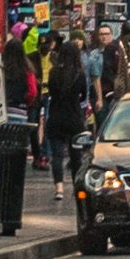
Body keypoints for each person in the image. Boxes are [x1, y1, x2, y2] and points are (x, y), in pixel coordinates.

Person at [41, 34, 90, 197]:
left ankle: (59, 188)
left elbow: (51, 92)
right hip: (74, 117)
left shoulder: (54, 72)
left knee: (57, 155)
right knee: (76, 156)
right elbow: (83, 95)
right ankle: (76, 186)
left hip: (56, 116)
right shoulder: (79, 74)